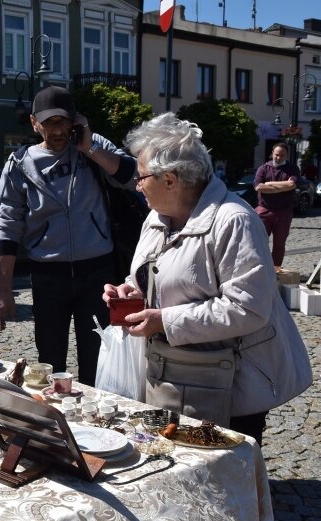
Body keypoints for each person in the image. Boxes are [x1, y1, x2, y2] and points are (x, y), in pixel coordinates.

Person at [102, 113, 312, 445]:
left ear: (170, 179)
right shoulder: (158, 217)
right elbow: (151, 274)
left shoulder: (234, 221)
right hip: (172, 371)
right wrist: (131, 289)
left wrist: (164, 320)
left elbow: (248, 308)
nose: (137, 185)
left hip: (229, 380)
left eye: (142, 177)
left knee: (226, 466)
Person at [0, 86, 137, 386]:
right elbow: (8, 226)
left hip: (98, 270)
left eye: (63, 122)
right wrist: (5, 289)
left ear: (76, 120)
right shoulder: (19, 164)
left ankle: (95, 424)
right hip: (48, 275)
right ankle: (56, 422)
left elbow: (132, 176)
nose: (57, 130)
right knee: (49, 360)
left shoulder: (93, 147)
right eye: (49, 123)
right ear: (35, 123)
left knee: (98, 357)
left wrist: (89, 148)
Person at [253, 143, 299, 272]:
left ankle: (275, 270)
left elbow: (292, 184)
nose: (278, 157)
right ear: (272, 153)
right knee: (258, 242)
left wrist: (269, 185)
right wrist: (282, 188)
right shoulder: (263, 168)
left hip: (284, 212)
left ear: (287, 155)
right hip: (263, 210)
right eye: (276, 154)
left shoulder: (292, 169)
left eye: (282, 155)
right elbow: (258, 187)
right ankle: (258, 268)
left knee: (279, 244)